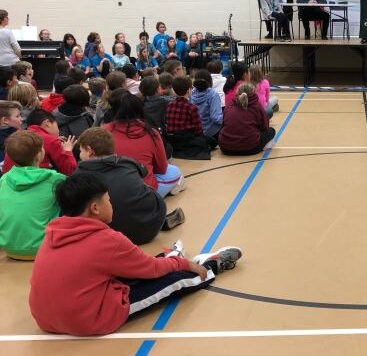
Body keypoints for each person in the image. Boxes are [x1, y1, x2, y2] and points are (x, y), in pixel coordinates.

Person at [28, 173, 242, 336]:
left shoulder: (55, 231)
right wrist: (185, 264)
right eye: (108, 200)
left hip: (45, 319)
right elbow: (151, 269)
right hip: (88, 320)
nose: (111, 204)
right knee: (178, 279)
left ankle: (173, 257)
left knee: (135, 267)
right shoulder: (107, 240)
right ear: (95, 208)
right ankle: (211, 266)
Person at [76, 128, 184, 245]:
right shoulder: (127, 162)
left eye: (81, 151)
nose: (80, 156)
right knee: (147, 185)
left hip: (114, 238)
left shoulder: (79, 175)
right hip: (152, 226)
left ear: (89, 150)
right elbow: (144, 171)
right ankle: (157, 220)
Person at [105, 91, 185, 197]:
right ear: (140, 109)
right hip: (143, 191)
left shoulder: (103, 130)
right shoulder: (150, 132)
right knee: (174, 171)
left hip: (109, 190)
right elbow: (161, 168)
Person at [0, 131, 65, 260]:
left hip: (8, 247)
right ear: (39, 154)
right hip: (42, 249)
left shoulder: (4, 179)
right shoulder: (56, 179)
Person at [2, 109, 77, 175]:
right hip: (34, 184)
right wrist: (68, 150)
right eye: (56, 125)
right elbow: (69, 170)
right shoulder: (51, 140)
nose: (58, 130)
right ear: (47, 123)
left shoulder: (18, 137)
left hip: (9, 182)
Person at [219, 83, 276, 155]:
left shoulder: (229, 105)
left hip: (225, 148)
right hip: (250, 148)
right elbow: (265, 127)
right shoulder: (256, 106)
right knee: (271, 131)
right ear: (254, 93)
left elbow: (223, 124)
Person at [166, 76, 214, 159]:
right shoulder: (192, 107)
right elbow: (199, 130)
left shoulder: (169, 105)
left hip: (172, 139)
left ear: (174, 90)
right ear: (189, 90)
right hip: (187, 138)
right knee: (212, 141)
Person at [191, 69, 223, 141]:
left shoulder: (191, 94)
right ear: (210, 80)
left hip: (196, 133)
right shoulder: (213, 94)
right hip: (212, 133)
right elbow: (216, 118)